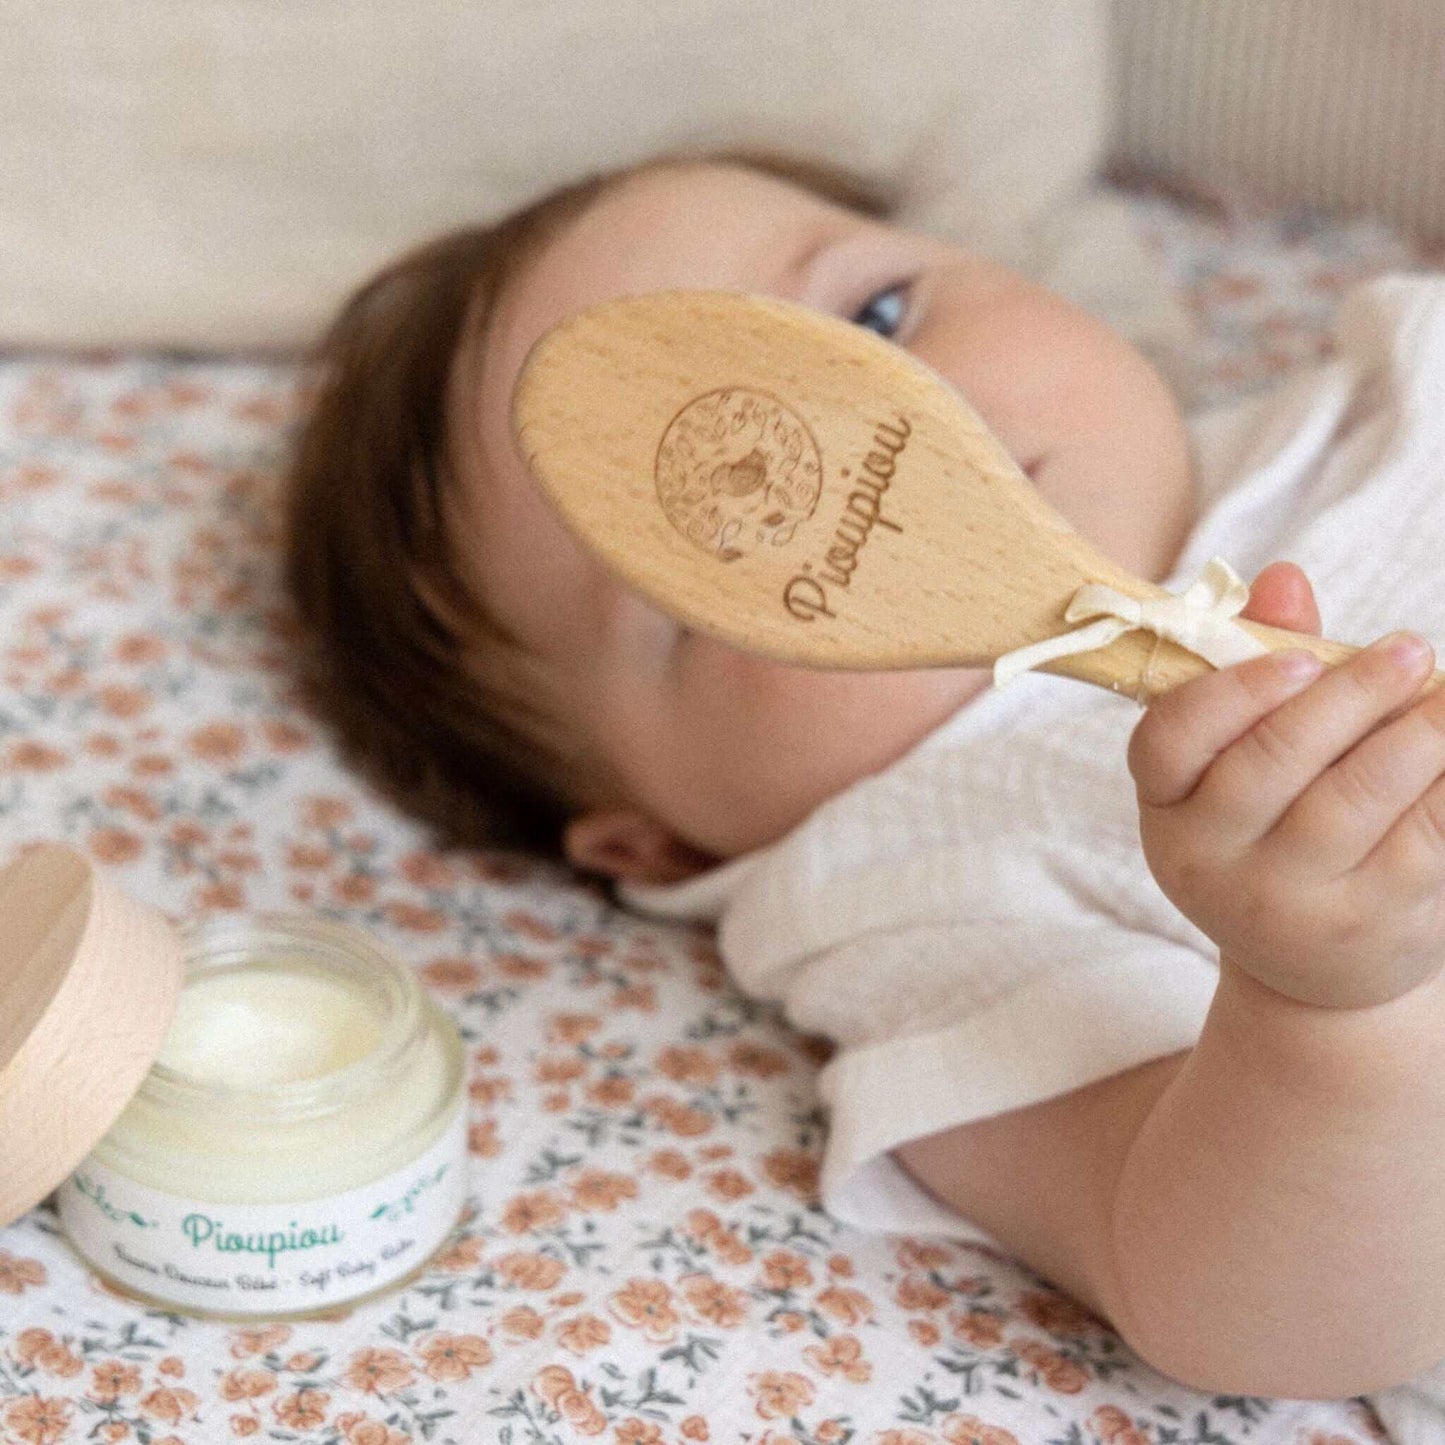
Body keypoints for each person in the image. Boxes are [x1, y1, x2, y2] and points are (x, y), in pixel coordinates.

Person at [284, 150, 1445, 1408]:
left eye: (876, 318)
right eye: (711, 548)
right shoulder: (906, 892)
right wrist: (1324, 1009)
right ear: (662, 843)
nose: (888, 444)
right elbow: (1259, 1318)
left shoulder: (1378, 388)